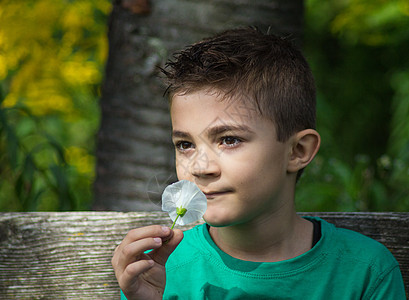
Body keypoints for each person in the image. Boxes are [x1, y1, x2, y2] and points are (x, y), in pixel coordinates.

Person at [112, 27, 406, 299]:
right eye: (185, 144)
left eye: (229, 140)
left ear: (297, 151)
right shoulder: (157, 272)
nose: (200, 167)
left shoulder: (365, 273)